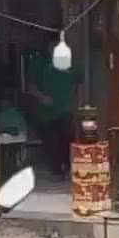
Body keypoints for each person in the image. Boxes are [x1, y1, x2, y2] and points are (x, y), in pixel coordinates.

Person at [28, 51, 81, 181]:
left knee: (67, 138)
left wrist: (78, 105)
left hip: (66, 110)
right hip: (47, 113)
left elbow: (79, 85)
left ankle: (69, 168)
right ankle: (56, 171)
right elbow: (30, 87)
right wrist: (41, 97)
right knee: (51, 142)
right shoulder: (40, 61)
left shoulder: (72, 62)